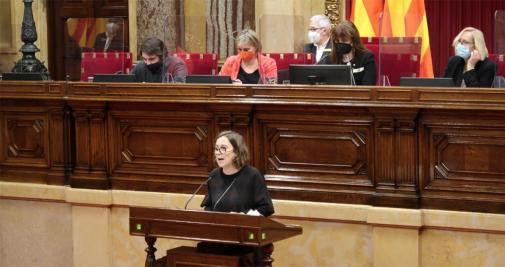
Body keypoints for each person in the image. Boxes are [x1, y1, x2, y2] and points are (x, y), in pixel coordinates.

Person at [199, 130, 274, 266]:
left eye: (223, 148)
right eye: (216, 149)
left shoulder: (252, 175)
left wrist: (242, 217)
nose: (218, 152)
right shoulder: (214, 176)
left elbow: (265, 208)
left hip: (246, 242)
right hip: (218, 241)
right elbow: (209, 205)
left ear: (237, 152)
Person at [321, 20, 376, 86]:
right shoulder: (329, 59)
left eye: (344, 40)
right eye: (337, 40)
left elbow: (369, 87)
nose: (340, 43)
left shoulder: (366, 57)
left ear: (353, 41)